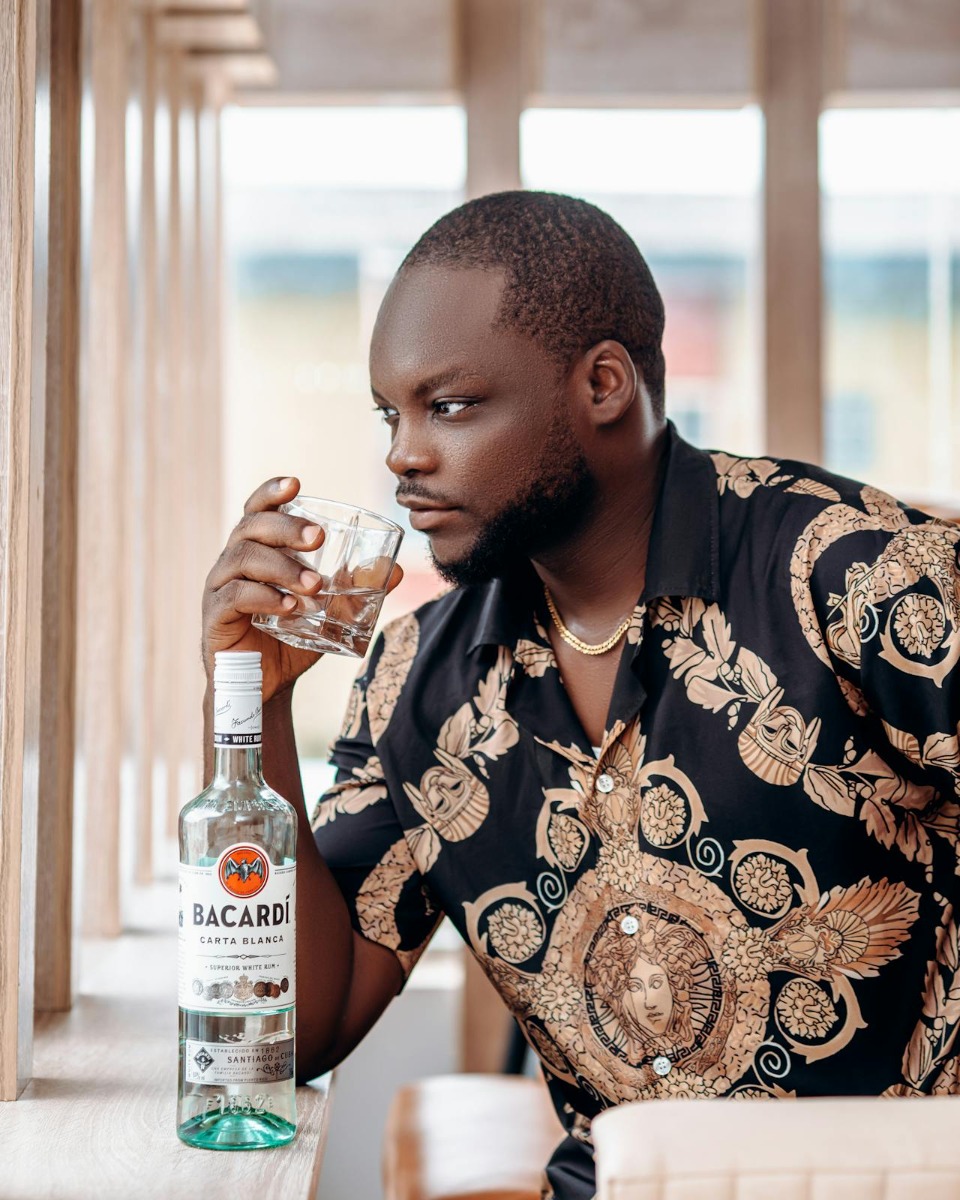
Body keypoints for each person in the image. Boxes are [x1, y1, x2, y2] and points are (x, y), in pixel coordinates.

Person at [201, 191, 960, 1200]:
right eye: (391, 414)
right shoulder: (414, 682)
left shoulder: (864, 578)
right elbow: (295, 1031)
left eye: (450, 406)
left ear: (603, 384)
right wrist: (247, 705)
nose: (402, 455)